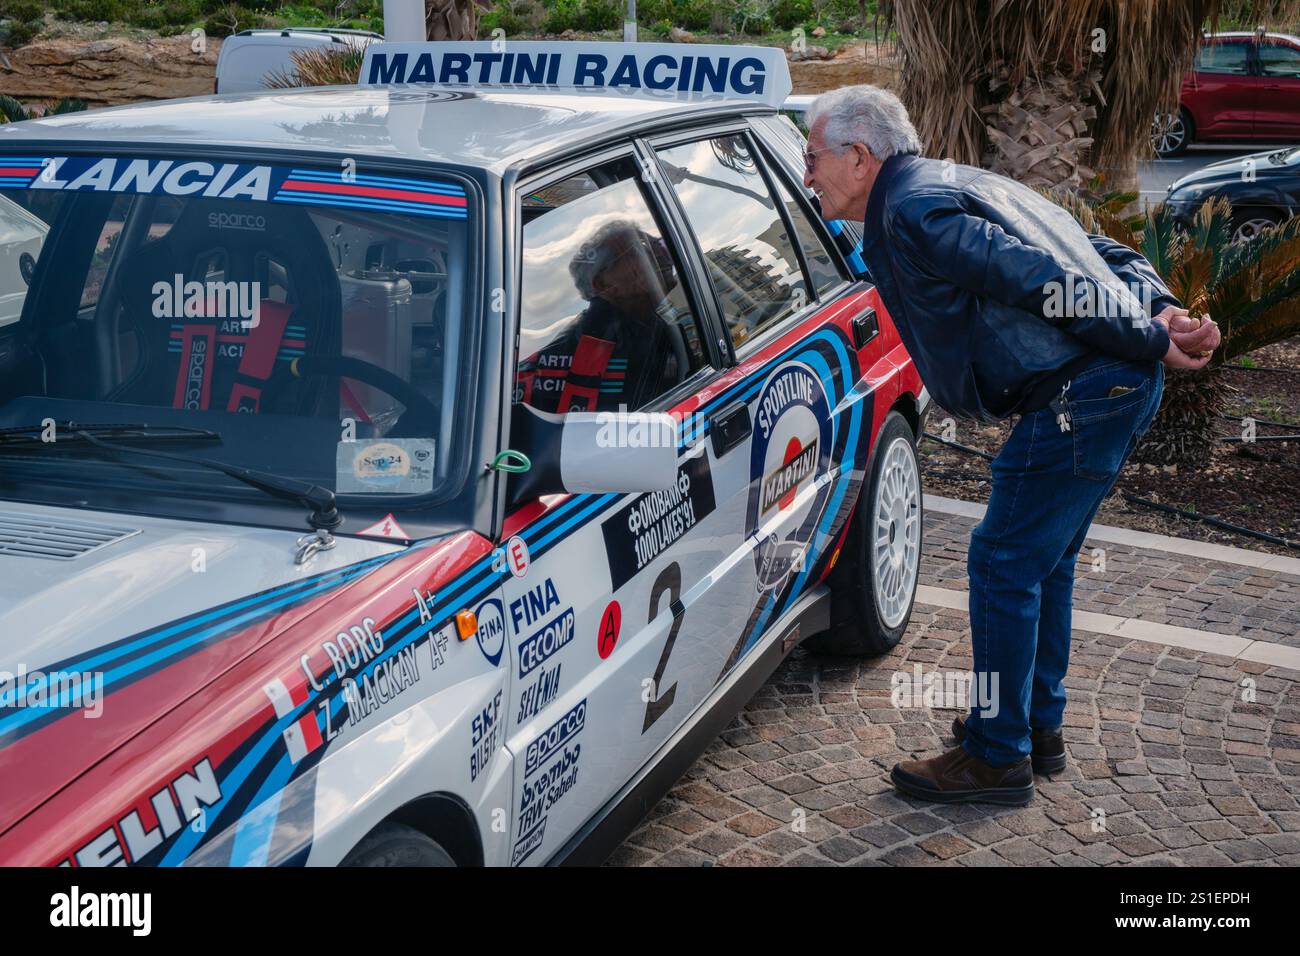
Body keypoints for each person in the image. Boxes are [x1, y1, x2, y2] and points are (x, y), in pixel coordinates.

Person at [802, 85, 1221, 806]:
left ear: (860, 156)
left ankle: (998, 756)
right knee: (1041, 562)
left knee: (1000, 562)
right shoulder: (956, 178)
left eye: (812, 158)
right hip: (1107, 388)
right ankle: (1034, 727)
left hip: (1080, 393)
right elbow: (1092, 245)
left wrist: (1152, 331)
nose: (806, 174)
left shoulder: (911, 209)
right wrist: (1157, 304)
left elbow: (1044, 278)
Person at [516, 219, 692, 414]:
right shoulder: (580, 351)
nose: (660, 252)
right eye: (639, 248)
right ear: (604, 285)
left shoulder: (658, 322)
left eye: (654, 242)